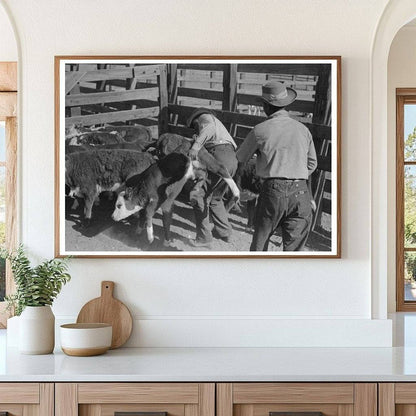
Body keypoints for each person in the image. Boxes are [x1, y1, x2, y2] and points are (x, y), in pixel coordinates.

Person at [236, 81, 318, 251]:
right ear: (285, 103)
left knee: (260, 242)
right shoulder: (303, 130)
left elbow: (241, 156)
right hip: (301, 191)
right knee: (294, 250)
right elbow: (312, 163)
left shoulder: (260, 130)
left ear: (266, 106)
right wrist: (296, 171)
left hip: (272, 192)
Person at [186, 108, 238, 247]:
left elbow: (208, 129)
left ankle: (204, 237)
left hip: (219, 156)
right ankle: (225, 232)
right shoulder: (218, 126)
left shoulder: (206, 120)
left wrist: (195, 147)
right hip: (231, 158)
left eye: (195, 127)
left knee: (198, 196)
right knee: (216, 198)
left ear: (197, 121)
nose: (195, 131)